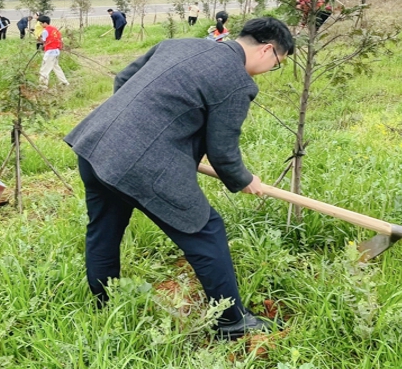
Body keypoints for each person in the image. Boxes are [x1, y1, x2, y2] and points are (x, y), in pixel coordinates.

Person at [64, 17, 294, 340]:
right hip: (142, 167)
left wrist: (137, 130)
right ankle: (231, 322)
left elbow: (123, 79)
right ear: (268, 51)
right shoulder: (236, 81)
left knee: (104, 228)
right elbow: (223, 151)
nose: (270, 70)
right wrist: (244, 179)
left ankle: (105, 303)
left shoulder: (180, 44)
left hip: (96, 146)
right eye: (277, 65)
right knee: (206, 230)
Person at [37, 15, 69, 89]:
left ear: (45, 23)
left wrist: (39, 38)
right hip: (56, 51)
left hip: (50, 52)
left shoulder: (45, 31)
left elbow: (43, 41)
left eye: (41, 23)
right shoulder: (54, 29)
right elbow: (60, 39)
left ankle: (43, 85)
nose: (40, 25)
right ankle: (64, 82)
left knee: (45, 69)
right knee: (56, 67)